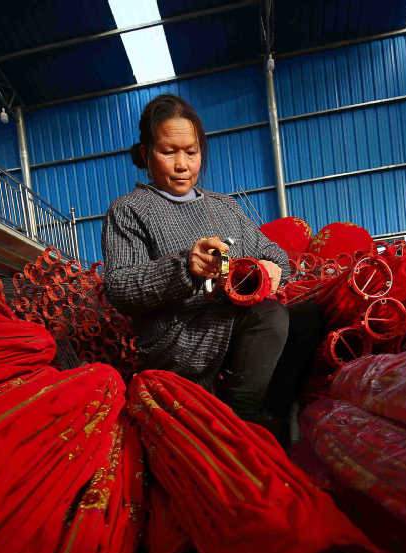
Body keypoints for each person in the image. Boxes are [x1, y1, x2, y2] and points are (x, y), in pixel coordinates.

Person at [102, 94, 322, 443]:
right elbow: (119, 287)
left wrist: (271, 268)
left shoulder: (224, 206)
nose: (181, 164)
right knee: (270, 317)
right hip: (178, 339)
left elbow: (276, 255)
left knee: (307, 318)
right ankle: (241, 423)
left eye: (191, 151)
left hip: (230, 323)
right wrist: (185, 268)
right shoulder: (130, 210)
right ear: (145, 154)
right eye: (168, 151)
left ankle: (273, 412)